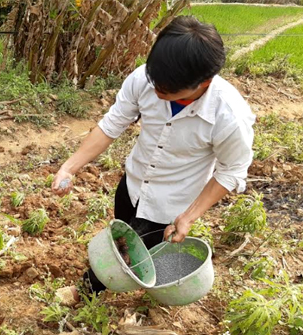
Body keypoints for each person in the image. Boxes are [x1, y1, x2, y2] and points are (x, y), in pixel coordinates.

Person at [52, 16, 255, 293]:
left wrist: (189, 217)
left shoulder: (229, 117)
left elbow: (231, 171)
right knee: (121, 235)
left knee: (130, 255)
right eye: (155, 81)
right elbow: (112, 124)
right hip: (132, 184)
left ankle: (89, 289)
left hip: (169, 204)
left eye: (168, 90)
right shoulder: (143, 79)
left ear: (204, 82)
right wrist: (69, 167)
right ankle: (128, 274)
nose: (157, 91)